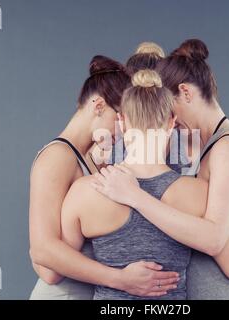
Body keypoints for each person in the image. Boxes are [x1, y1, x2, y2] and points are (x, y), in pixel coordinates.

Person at [61, 69, 229, 300]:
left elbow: (59, 264)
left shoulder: (84, 192)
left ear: (122, 121)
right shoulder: (198, 194)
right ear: (171, 122)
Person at [29, 55, 180, 299]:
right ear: (98, 106)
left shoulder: (88, 156)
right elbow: (47, 264)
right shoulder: (56, 157)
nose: (121, 130)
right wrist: (121, 279)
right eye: (118, 116)